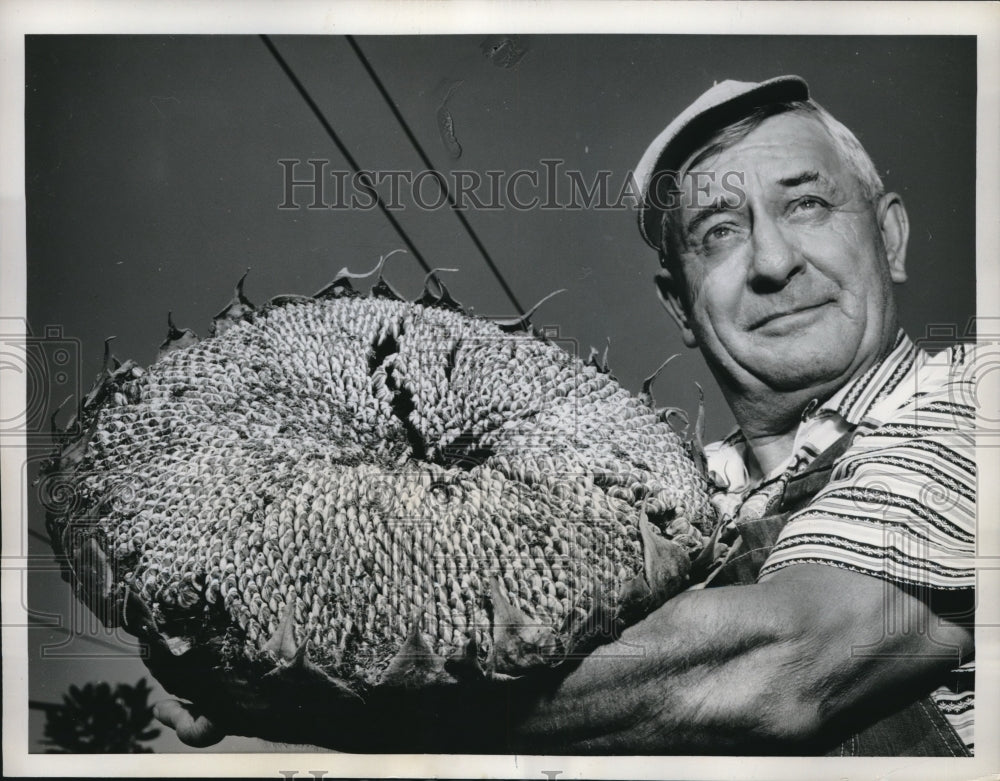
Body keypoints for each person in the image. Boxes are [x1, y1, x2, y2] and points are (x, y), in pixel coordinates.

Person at [154, 75, 976, 756]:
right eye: (719, 232)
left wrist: (299, 698)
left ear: (892, 235)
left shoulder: (969, 401)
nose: (772, 261)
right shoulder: (669, 492)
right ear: (681, 309)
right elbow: (449, 608)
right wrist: (251, 637)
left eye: (807, 205)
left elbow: (785, 663)